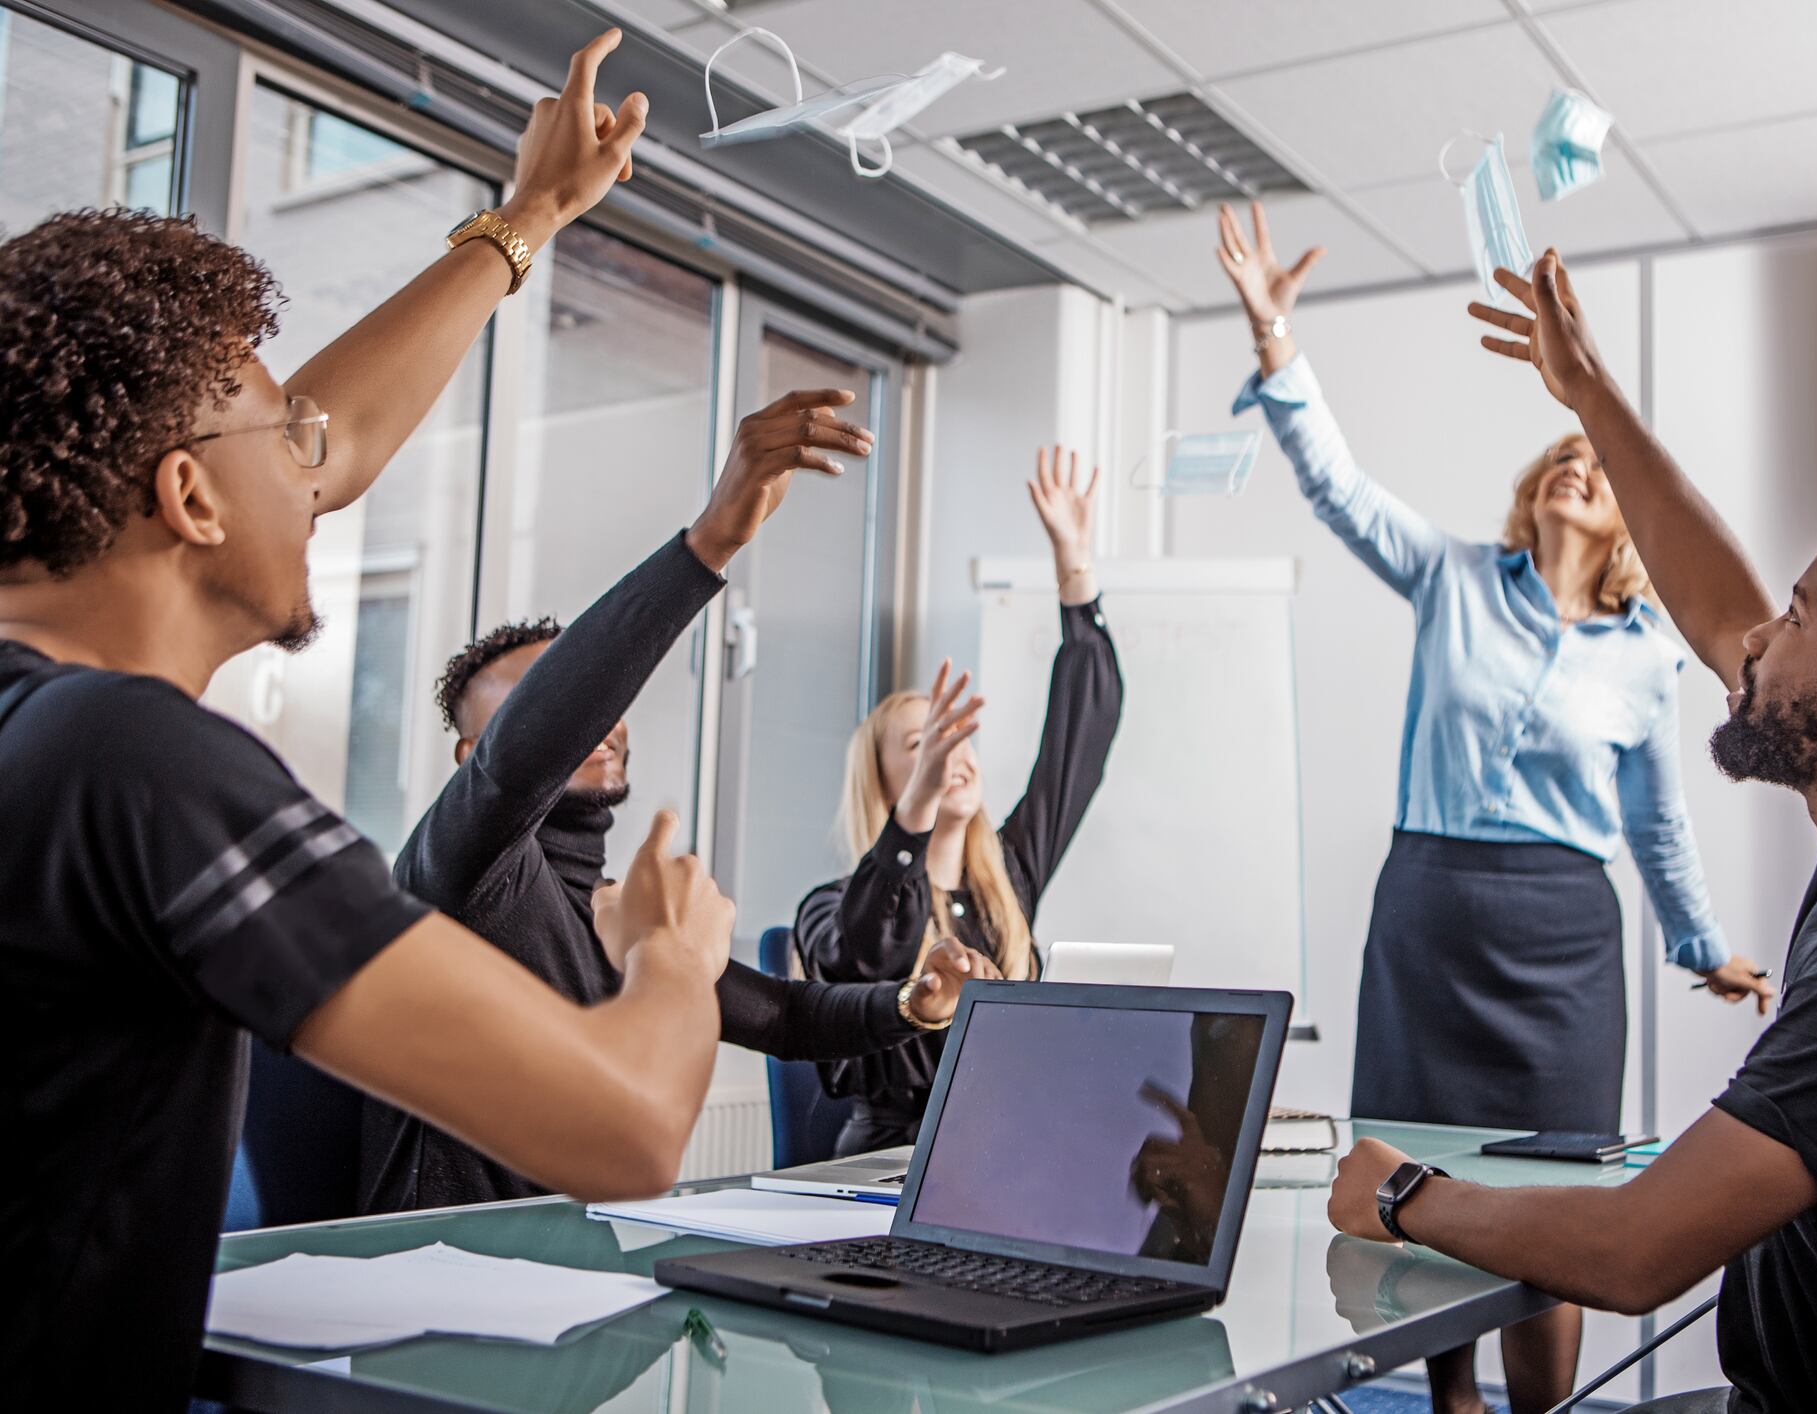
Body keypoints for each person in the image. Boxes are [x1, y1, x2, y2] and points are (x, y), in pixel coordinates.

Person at [0, 32, 739, 1408]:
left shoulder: (33, 726)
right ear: (189, 501)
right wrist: (669, 963)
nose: (323, 466)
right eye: (287, 438)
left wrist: (526, 224)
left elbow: (322, 438)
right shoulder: (134, 761)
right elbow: (626, 1124)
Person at [1328, 250, 1817, 1414]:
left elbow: (1634, 1252)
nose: (1753, 640)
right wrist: (1589, 389)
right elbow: (1717, 609)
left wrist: (1401, 1198)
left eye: (1797, 618)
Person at [1214, 202, 1772, 1414]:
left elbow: (1658, 817)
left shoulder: (1644, 656)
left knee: (1559, 1196)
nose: (1578, 465)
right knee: (1414, 1176)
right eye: (1560, 458)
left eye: (1596, 465)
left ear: (1628, 517)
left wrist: (1700, 944)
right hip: (1432, 912)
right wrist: (1275, 342)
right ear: (1533, 495)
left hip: (1566, 939)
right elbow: (1340, 487)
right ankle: (1449, 1399)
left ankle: (1537, 1412)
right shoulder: (1454, 578)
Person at [356, 394, 998, 1214]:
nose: (591, 718)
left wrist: (913, 1002)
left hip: (571, 1269)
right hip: (436, 1272)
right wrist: (710, 543)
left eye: (588, 693)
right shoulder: (456, 865)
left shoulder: (618, 910)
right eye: (538, 701)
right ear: (468, 755)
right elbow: (523, 761)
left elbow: (784, 1017)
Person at [796, 446, 1122, 1154]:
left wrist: (1073, 565)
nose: (950, 753)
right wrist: (912, 821)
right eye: (920, 744)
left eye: (955, 735)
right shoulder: (832, 909)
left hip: (1006, 1140)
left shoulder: (1007, 875)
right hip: (893, 1158)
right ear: (884, 786)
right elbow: (865, 953)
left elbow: (1082, 741)